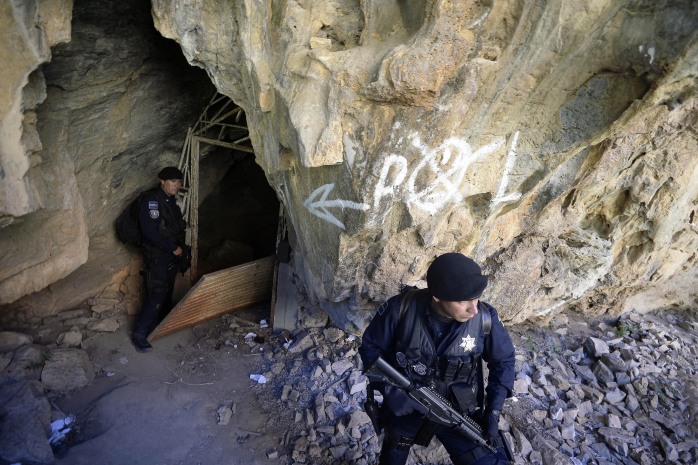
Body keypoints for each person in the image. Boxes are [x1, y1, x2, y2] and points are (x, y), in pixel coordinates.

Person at [359, 253, 515, 465]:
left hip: (458, 411)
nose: (474, 308)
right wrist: (390, 391)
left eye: (476, 297)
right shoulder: (400, 310)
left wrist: (494, 411)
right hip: (408, 405)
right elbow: (370, 349)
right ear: (437, 297)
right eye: (463, 301)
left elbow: (503, 361)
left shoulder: (485, 318)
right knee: (393, 454)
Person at [131, 166, 187, 352]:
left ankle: (163, 325)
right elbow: (149, 232)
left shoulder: (169, 201)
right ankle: (139, 335)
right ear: (161, 181)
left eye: (178, 182)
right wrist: (173, 248)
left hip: (169, 256)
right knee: (157, 293)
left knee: (167, 291)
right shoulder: (151, 201)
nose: (176, 186)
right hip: (157, 256)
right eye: (172, 181)